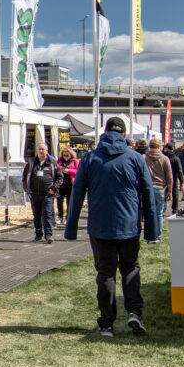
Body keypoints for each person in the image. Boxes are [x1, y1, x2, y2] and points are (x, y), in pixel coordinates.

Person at [65, 117, 157, 339]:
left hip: (100, 226)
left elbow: (77, 195)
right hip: (129, 225)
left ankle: (107, 323)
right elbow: (148, 193)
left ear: (104, 133)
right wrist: (152, 230)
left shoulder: (90, 159)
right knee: (130, 268)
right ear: (124, 135)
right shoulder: (135, 158)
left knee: (106, 273)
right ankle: (134, 312)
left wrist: (71, 228)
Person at [22, 141, 62, 243]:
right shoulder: (31, 163)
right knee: (37, 215)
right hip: (34, 194)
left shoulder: (52, 162)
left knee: (47, 214)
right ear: (36, 150)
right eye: (39, 149)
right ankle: (38, 235)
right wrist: (27, 190)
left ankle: (48, 235)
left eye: (43, 149)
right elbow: (24, 177)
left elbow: (60, 177)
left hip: (47, 194)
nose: (41, 151)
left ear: (47, 151)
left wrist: (54, 188)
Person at [140, 137, 172, 241]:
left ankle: (150, 235)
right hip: (160, 187)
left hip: (147, 187)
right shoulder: (164, 159)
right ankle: (158, 235)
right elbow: (169, 176)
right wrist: (170, 190)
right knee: (159, 213)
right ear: (159, 146)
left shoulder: (144, 157)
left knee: (148, 212)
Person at [55, 145, 77, 222]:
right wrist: (59, 169)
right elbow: (55, 170)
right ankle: (60, 217)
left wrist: (69, 171)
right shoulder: (59, 161)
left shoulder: (75, 161)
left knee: (69, 202)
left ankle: (68, 217)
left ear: (71, 154)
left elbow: (78, 171)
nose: (65, 157)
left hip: (71, 184)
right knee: (59, 200)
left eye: (67, 155)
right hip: (61, 184)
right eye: (64, 155)